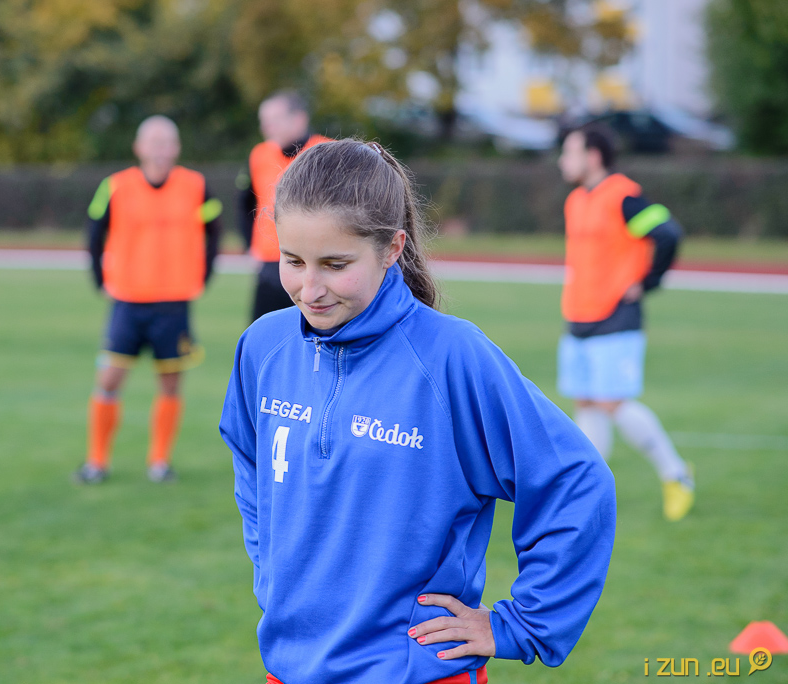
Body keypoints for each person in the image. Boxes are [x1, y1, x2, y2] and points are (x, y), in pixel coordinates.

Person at [219, 139, 617, 684]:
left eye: (335, 265)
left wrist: (522, 623)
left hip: (415, 670)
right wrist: (273, 570)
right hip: (289, 668)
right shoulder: (264, 346)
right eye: (293, 261)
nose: (309, 289)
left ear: (391, 248)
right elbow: (251, 465)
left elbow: (575, 480)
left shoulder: (452, 357)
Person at [75, 115, 222, 484]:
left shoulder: (195, 185)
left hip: (173, 302)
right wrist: (99, 279)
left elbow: (215, 230)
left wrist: (203, 275)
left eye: (167, 142)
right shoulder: (115, 185)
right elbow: (94, 231)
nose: (160, 150)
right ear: (138, 147)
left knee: (170, 383)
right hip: (127, 301)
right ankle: (96, 462)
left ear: (177, 148)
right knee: (109, 379)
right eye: (153, 142)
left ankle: (159, 462)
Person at [557, 127, 694, 522]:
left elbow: (668, 234)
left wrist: (647, 282)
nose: (563, 161)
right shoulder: (575, 200)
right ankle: (590, 491)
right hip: (578, 315)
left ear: (594, 156)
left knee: (612, 402)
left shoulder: (624, 196)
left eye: (570, 152)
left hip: (616, 316)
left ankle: (676, 474)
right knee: (586, 401)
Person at [237, 90, 330, 321]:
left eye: (274, 120)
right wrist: (250, 245)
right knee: (264, 332)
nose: (267, 128)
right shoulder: (259, 155)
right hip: (271, 262)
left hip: (313, 260)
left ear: (299, 119)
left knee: (317, 330)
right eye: (264, 121)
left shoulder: (327, 152)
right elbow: (245, 202)